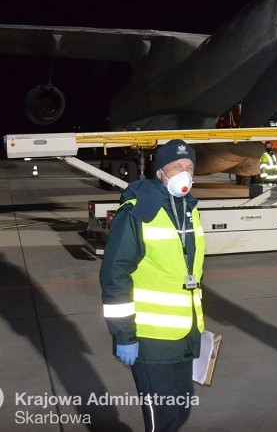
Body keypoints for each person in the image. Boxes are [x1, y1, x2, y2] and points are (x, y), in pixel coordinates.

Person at [100, 140, 206, 431]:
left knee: (181, 408)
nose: (184, 173)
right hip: (149, 339)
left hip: (184, 333)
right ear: (160, 172)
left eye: (189, 167)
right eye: (176, 167)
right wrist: (124, 335)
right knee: (163, 420)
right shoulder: (138, 212)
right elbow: (114, 276)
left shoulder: (189, 209)